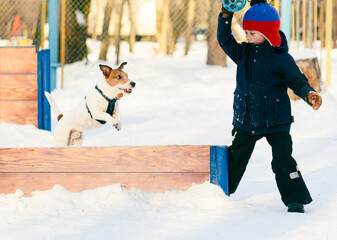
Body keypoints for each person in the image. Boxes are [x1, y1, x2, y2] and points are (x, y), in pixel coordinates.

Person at [217, 0, 322, 213]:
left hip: (276, 121)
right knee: (235, 159)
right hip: (246, 119)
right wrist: (226, 16)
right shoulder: (243, 53)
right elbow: (224, 39)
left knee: (283, 160)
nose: (247, 37)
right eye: (246, 32)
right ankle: (220, 192)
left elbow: (298, 81)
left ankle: (295, 198)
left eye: (252, 33)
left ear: (267, 33)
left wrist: (309, 94)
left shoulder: (282, 59)